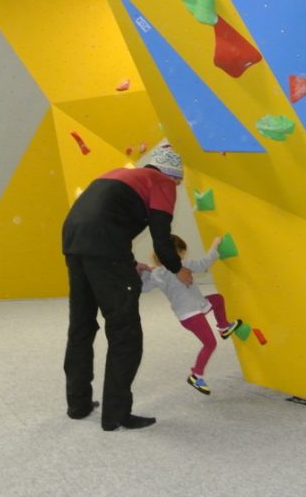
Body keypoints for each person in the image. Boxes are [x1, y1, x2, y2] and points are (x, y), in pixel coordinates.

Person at [61, 145, 192, 431]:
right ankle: (116, 415)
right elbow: (162, 239)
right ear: (172, 175)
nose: (178, 187)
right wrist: (177, 268)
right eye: (179, 181)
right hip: (105, 248)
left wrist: (129, 263)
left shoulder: (122, 174)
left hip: (74, 242)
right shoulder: (164, 183)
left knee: (81, 326)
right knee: (125, 334)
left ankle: (78, 404)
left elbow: (106, 218)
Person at [138, 235, 242, 396]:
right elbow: (202, 264)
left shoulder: (157, 273)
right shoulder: (181, 264)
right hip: (192, 314)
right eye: (182, 253)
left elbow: (144, 288)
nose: (183, 257)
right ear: (176, 253)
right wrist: (215, 245)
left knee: (217, 299)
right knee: (210, 344)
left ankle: (224, 327)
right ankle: (196, 375)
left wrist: (144, 272)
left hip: (191, 311)